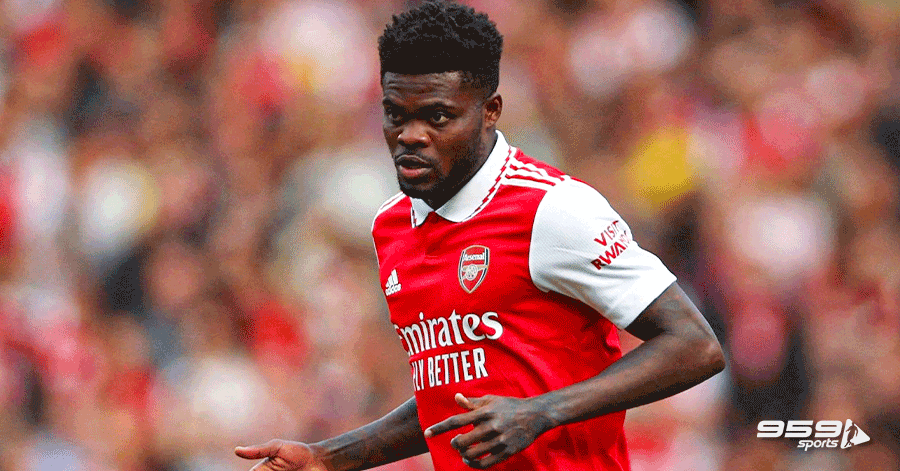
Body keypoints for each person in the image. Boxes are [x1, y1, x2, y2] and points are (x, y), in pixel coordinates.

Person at [235, 1, 725, 470]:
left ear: (490, 110)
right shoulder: (391, 227)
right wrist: (329, 457)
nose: (410, 135)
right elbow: (446, 397)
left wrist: (542, 411)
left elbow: (694, 345)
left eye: (437, 116)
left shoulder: (552, 209)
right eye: (395, 114)